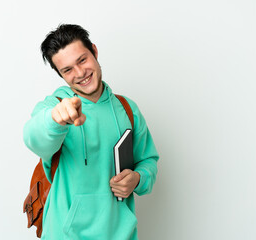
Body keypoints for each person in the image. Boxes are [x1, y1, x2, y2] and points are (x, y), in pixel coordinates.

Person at [23, 24, 159, 240]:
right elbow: (33, 137)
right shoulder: (55, 107)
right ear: (60, 74)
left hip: (121, 235)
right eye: (67, 70)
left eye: (82, 60)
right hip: (64, 235)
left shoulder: (127, 109)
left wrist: (137, 178)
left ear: (94, 51)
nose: (80, 73)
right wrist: (55, 119)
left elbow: (148, 161)